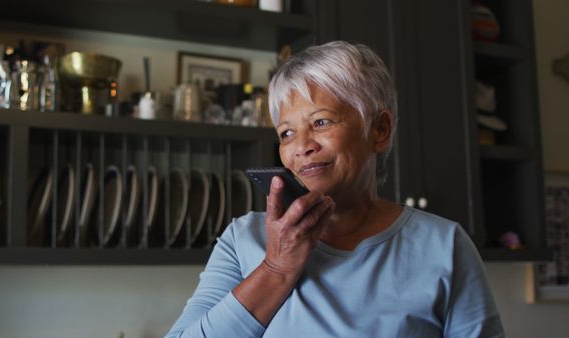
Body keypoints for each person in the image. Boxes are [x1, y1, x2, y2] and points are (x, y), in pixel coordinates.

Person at [165, 41, 504, 338]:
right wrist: (276, 269)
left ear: (380, 130)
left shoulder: (445, 247)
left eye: (321, 122)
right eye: (286, 133)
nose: (301, 146)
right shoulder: (243, 239)